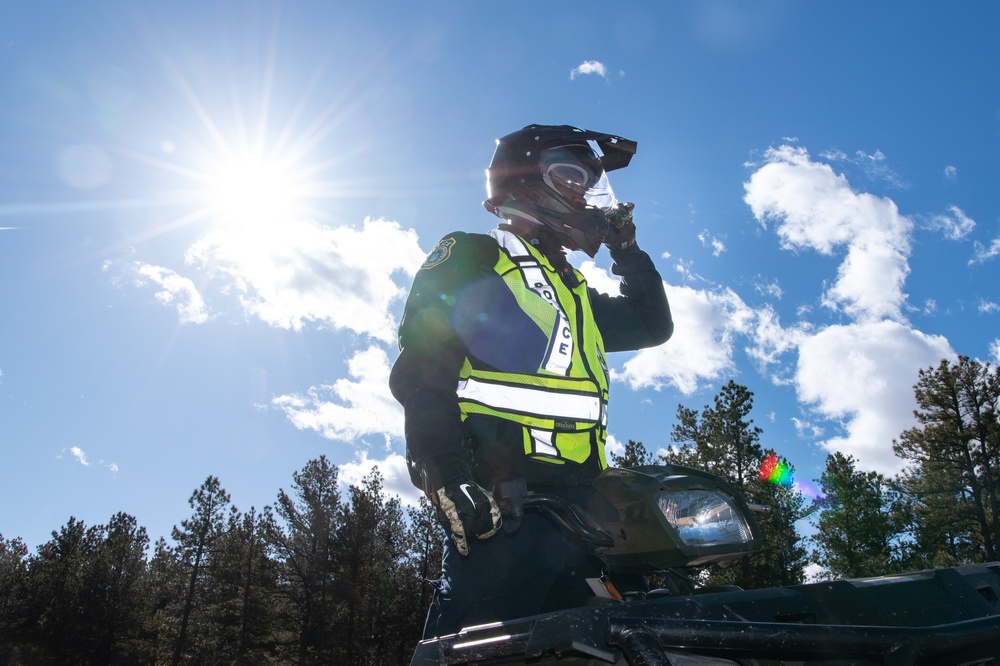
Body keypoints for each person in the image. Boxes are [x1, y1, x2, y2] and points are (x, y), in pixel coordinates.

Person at [389, 124, 673, 638]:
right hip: (505, 505)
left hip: (582, 513)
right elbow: (423, 371)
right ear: (524, 180)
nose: (583, 193)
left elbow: (653, 325)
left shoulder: (573, 292)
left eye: (590, 184)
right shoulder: (475, 256)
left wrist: (627, 251)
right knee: (477, 646)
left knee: (600, 645)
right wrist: (445, 474)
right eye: (571, 175)